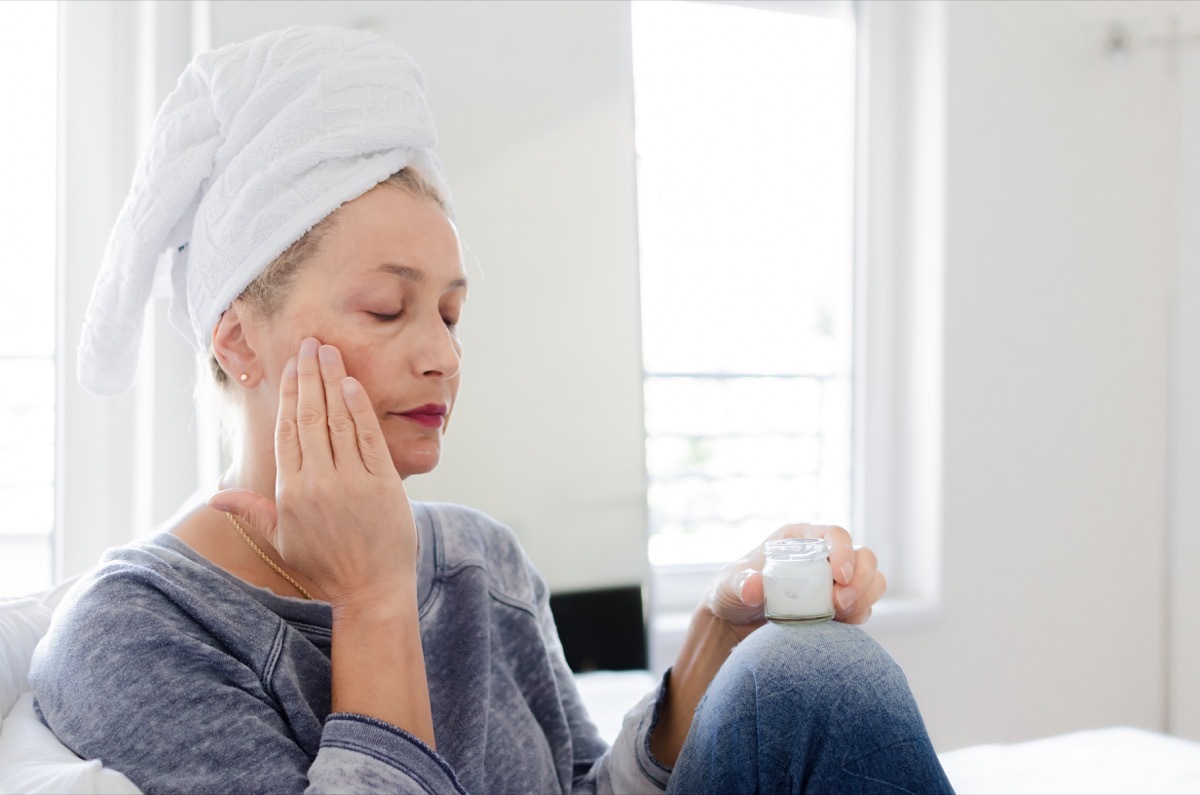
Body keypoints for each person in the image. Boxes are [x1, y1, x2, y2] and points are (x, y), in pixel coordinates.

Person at [30, 26, 953, 795]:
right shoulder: (136, 633)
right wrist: (374, 600)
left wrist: (716, 641)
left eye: (450, 312)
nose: (442, 353)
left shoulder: (481, 562)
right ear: (236, 337)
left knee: (811, 673)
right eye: (389, 309)